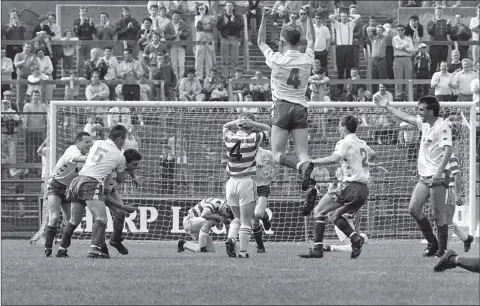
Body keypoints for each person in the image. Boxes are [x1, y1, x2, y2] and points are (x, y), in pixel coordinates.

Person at [374, 95, 452, 257]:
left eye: (421, 110)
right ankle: (433, 243)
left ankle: (442, 251)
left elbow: (448, 151)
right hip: (424, 176)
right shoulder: (424, 124)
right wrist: (387, 106)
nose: (419, 113)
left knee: (437, 213)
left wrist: (438, 174)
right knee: (414, 209)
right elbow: (406, 117)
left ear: (430, 111)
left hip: (437, 175)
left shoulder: (442, 126)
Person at [257, 6, 316, 200]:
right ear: (300, 41)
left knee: (277, 154)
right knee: (303, 153)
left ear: (283, 41)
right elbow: (312, 39)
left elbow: (261, 42)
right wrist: (310, 18)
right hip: (300, 107)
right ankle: (307, 175)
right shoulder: (307, 59)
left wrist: (264, 17)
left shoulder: (276, 59)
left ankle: (300, 168)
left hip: (282, 107)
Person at [299, 115, 375, 259]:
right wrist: (357, 162)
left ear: (344, 128)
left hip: (350, 186)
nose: (338, 128)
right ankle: (355, 239)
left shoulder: (344, 142)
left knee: (318, 211)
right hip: (363, 189)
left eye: (339, 126)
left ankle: (317, 249)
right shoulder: (362, 142)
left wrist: (312, 162)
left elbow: (334, 158)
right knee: (334, 215)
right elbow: (373, 155)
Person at [55, 125, 134, 258]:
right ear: (120, 138)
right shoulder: (120, 156)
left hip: (77, 181)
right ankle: (94, 248)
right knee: (101, 218)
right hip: (91, 183)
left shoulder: (97, 143)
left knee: (74, 220)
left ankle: (62, 249)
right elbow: (120, 179)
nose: (124, 142)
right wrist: (123, 168)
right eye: (124, 138)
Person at [223, 113, 271, 258]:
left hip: (231, 182)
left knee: (236, 219)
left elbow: (225, 126)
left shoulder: (229, 137)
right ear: (250, 128)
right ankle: (243, 252)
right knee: (246, 221)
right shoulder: (252, 139)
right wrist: (253, 124)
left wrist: (237, 121)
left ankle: (231, 238)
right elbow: (270, 129)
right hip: (246, 182)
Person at [43, 132, 93, 257]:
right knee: (54, 217)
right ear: (78, 142)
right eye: (86, 142)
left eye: (90, 142)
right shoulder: (72, 150)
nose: (89, 144)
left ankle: (62, 250)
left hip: (69, 189)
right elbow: (78, 159)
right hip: (55, 185)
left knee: (70, 220)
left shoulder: (87, 156)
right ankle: (48, 248)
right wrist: (94, 158)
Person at [102, 148, 142, 256]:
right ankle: (99, 247)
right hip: (98, 190)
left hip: (109, 188)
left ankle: (115, 240)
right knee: (101, 219)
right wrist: (124, 207)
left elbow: (128, 167)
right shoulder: (112, 171)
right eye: (134, 164)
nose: (136, 167)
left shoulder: (122, 159)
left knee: (120, 213)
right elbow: (104, 196)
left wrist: (133, 177)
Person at [252, 147, 279, 253]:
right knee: (254, 222)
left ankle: (265, 217)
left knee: (258, 214)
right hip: (248, 188)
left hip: (262, 187)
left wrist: (271, 175)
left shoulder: (266, 153)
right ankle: (260, 247)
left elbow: (276, 167)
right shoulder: (244, 152)